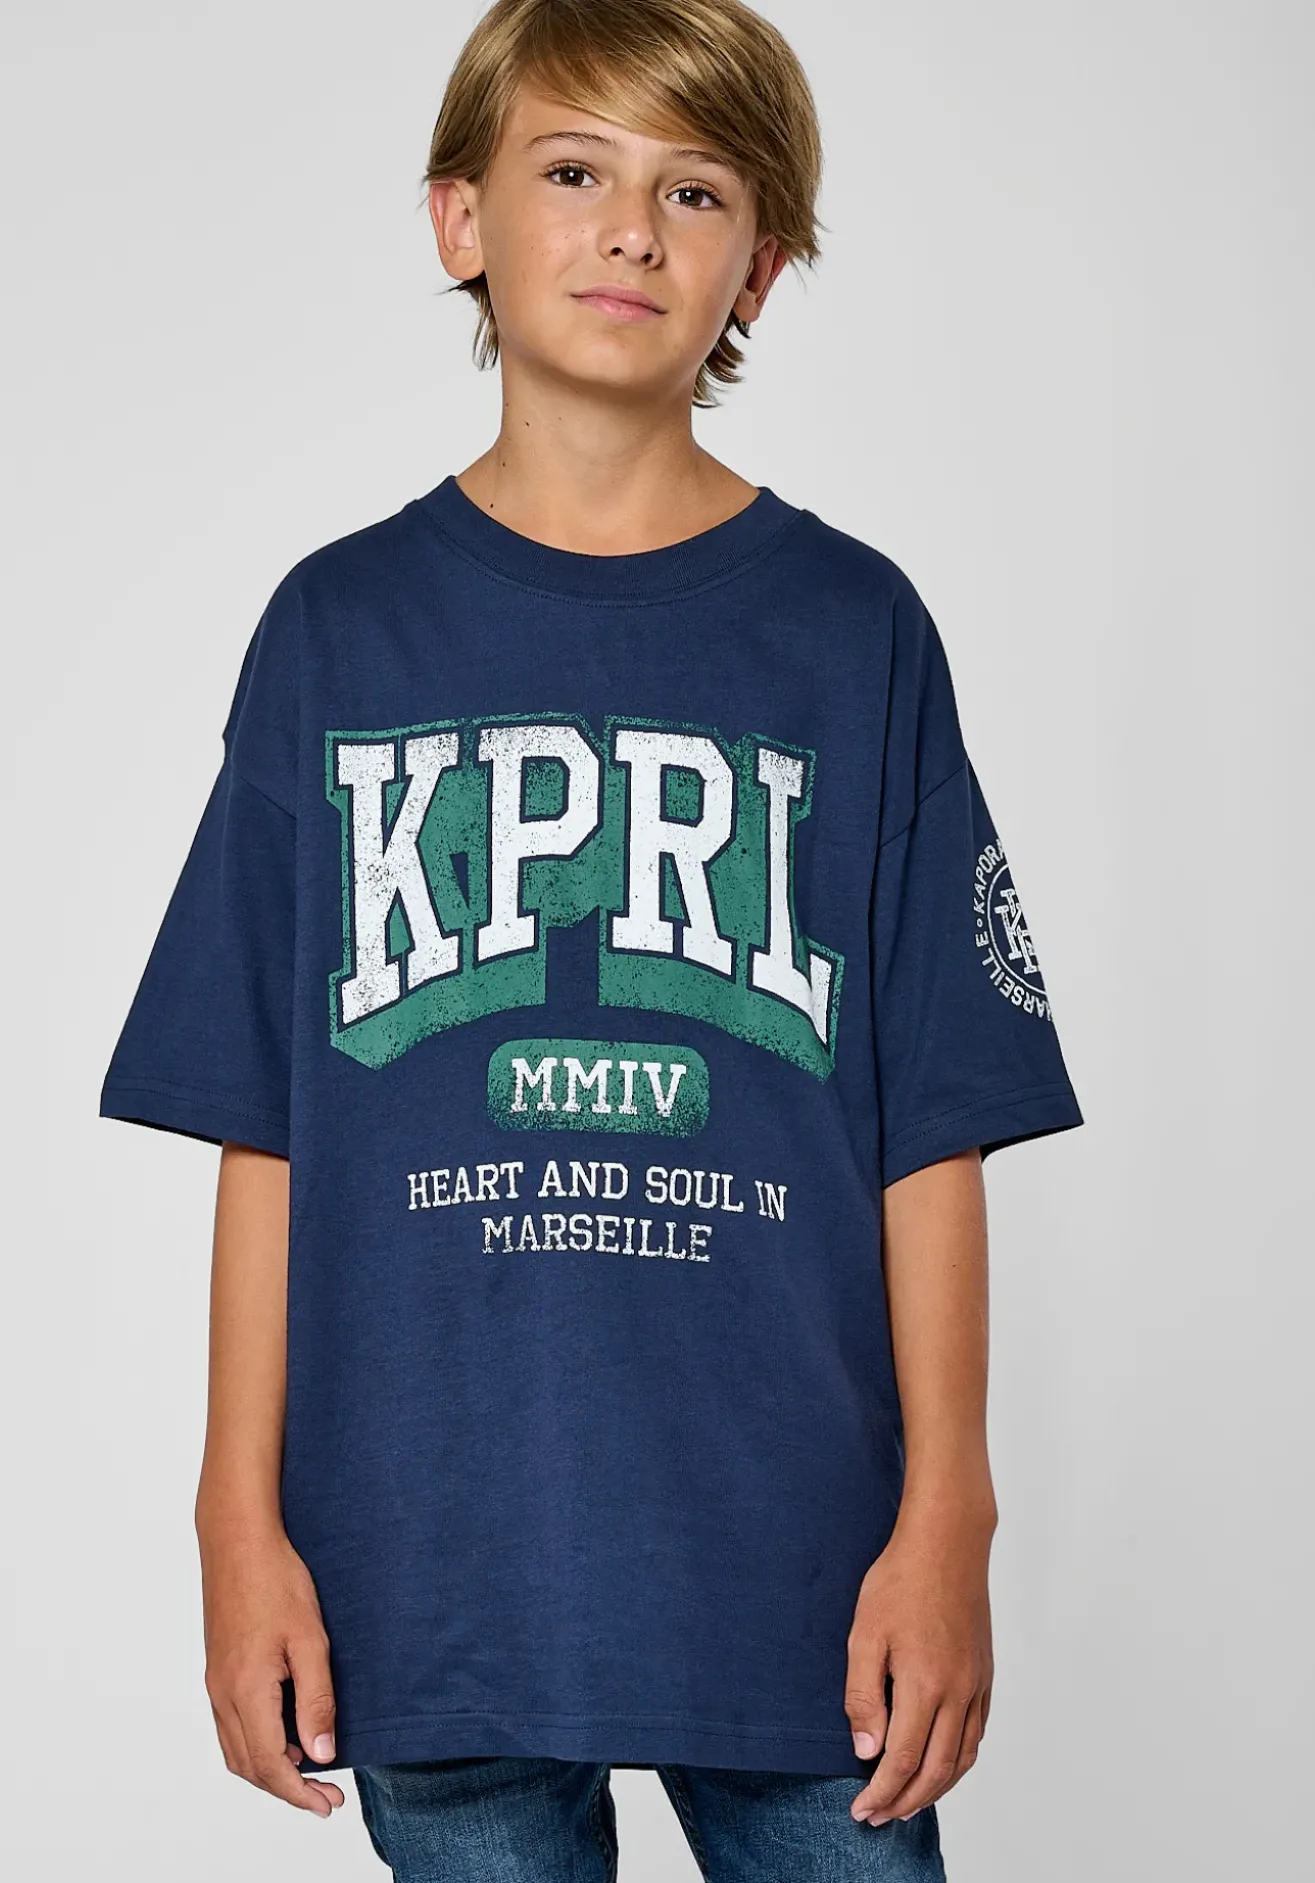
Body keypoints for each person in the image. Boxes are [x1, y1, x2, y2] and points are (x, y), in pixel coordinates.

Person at [98, 1, 1083, 1876]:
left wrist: (948, 1516)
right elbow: (264, 1124)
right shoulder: (336, 631)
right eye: (573, 169)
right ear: (459, 217)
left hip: (803, 1556)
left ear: (759, 270)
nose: (631, 228)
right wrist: (236, 1519)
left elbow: (934, 1123)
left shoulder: (856, 633)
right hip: (427, 1555)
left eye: (693, 190)